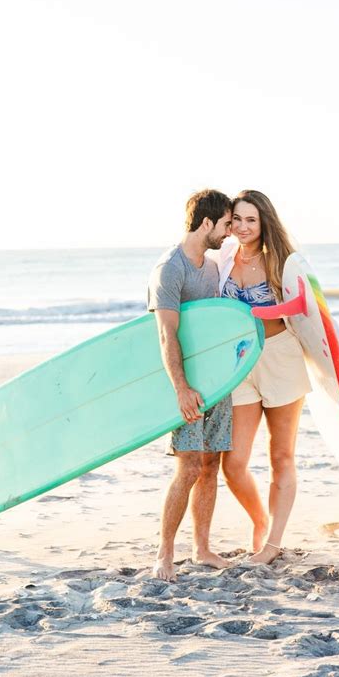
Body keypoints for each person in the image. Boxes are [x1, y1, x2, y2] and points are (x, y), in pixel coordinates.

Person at [211, 190, 339, 565]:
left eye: (251, 220)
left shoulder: (285, 263)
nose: (243, 227)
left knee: (281, 455)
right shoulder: (223, 258)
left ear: (264, 223)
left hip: (282, 359)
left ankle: (273, 543)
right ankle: (261, 520)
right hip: (241, 362)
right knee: (234, 463)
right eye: (238, 219)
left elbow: (318, 313)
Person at [147, 189, 233, 582]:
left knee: (211, 465)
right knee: (189, 466)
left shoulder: (214, 266)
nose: (230, 232)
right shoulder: (170, 268)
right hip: (186, 385)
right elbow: (167, 335)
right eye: (227, 224)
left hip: (218, 383)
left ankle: (201, 548)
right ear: (207, 223)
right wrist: (181, 388)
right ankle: (165, 553)